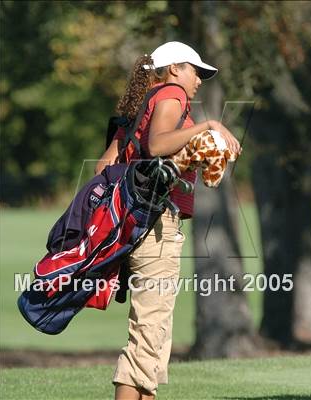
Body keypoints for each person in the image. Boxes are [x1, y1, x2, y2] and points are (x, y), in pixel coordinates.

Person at [95, 41, 241, 400]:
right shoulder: (172, 93)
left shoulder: (141, 106)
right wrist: (208, 125)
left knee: (154, 343)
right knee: (147, 340)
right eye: (196, 70)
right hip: (156, 227)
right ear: (175, 68)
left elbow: (102, 168)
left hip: (133, 227)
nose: (199, 81)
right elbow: (159, 145)